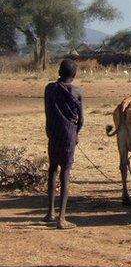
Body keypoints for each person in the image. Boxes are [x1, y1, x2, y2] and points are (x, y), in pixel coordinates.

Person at [43, 58, 83, 229]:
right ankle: (61, 218)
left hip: (53, 134)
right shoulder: (77, 92)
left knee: (52, 169)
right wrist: (76, 134)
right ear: (74, 75)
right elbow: (81, 120)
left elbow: (47, 111)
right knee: (65, 172)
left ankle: (50, 212)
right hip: (68, 135)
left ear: (59, 72)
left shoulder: (50, 89)